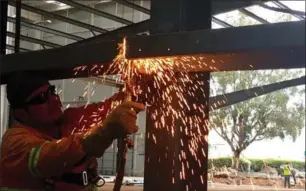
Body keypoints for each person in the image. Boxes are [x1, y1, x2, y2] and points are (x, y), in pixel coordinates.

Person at [0, 71, 145, 191]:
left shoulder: (70, 119)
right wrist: (102, 133)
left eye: (52, 91)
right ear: (21, 113)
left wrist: (137, 86)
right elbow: (51, 157)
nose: (54, 99)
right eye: (42, 97)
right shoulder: (14, 141)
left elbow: (110, 108)